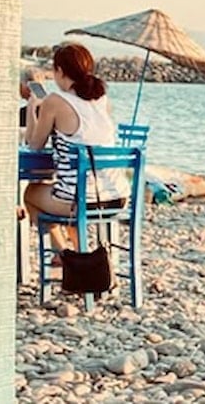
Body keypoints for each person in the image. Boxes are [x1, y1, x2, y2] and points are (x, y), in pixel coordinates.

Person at [23, 43, 122, 253]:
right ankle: (79, 254)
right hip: (116, 197)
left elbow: (34, 145)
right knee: (65, 192)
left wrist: (32, 108)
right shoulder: (102, 100)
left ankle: (65, 254)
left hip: (82, 201)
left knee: (31, 194)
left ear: (59, 71)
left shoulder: (54, 101)